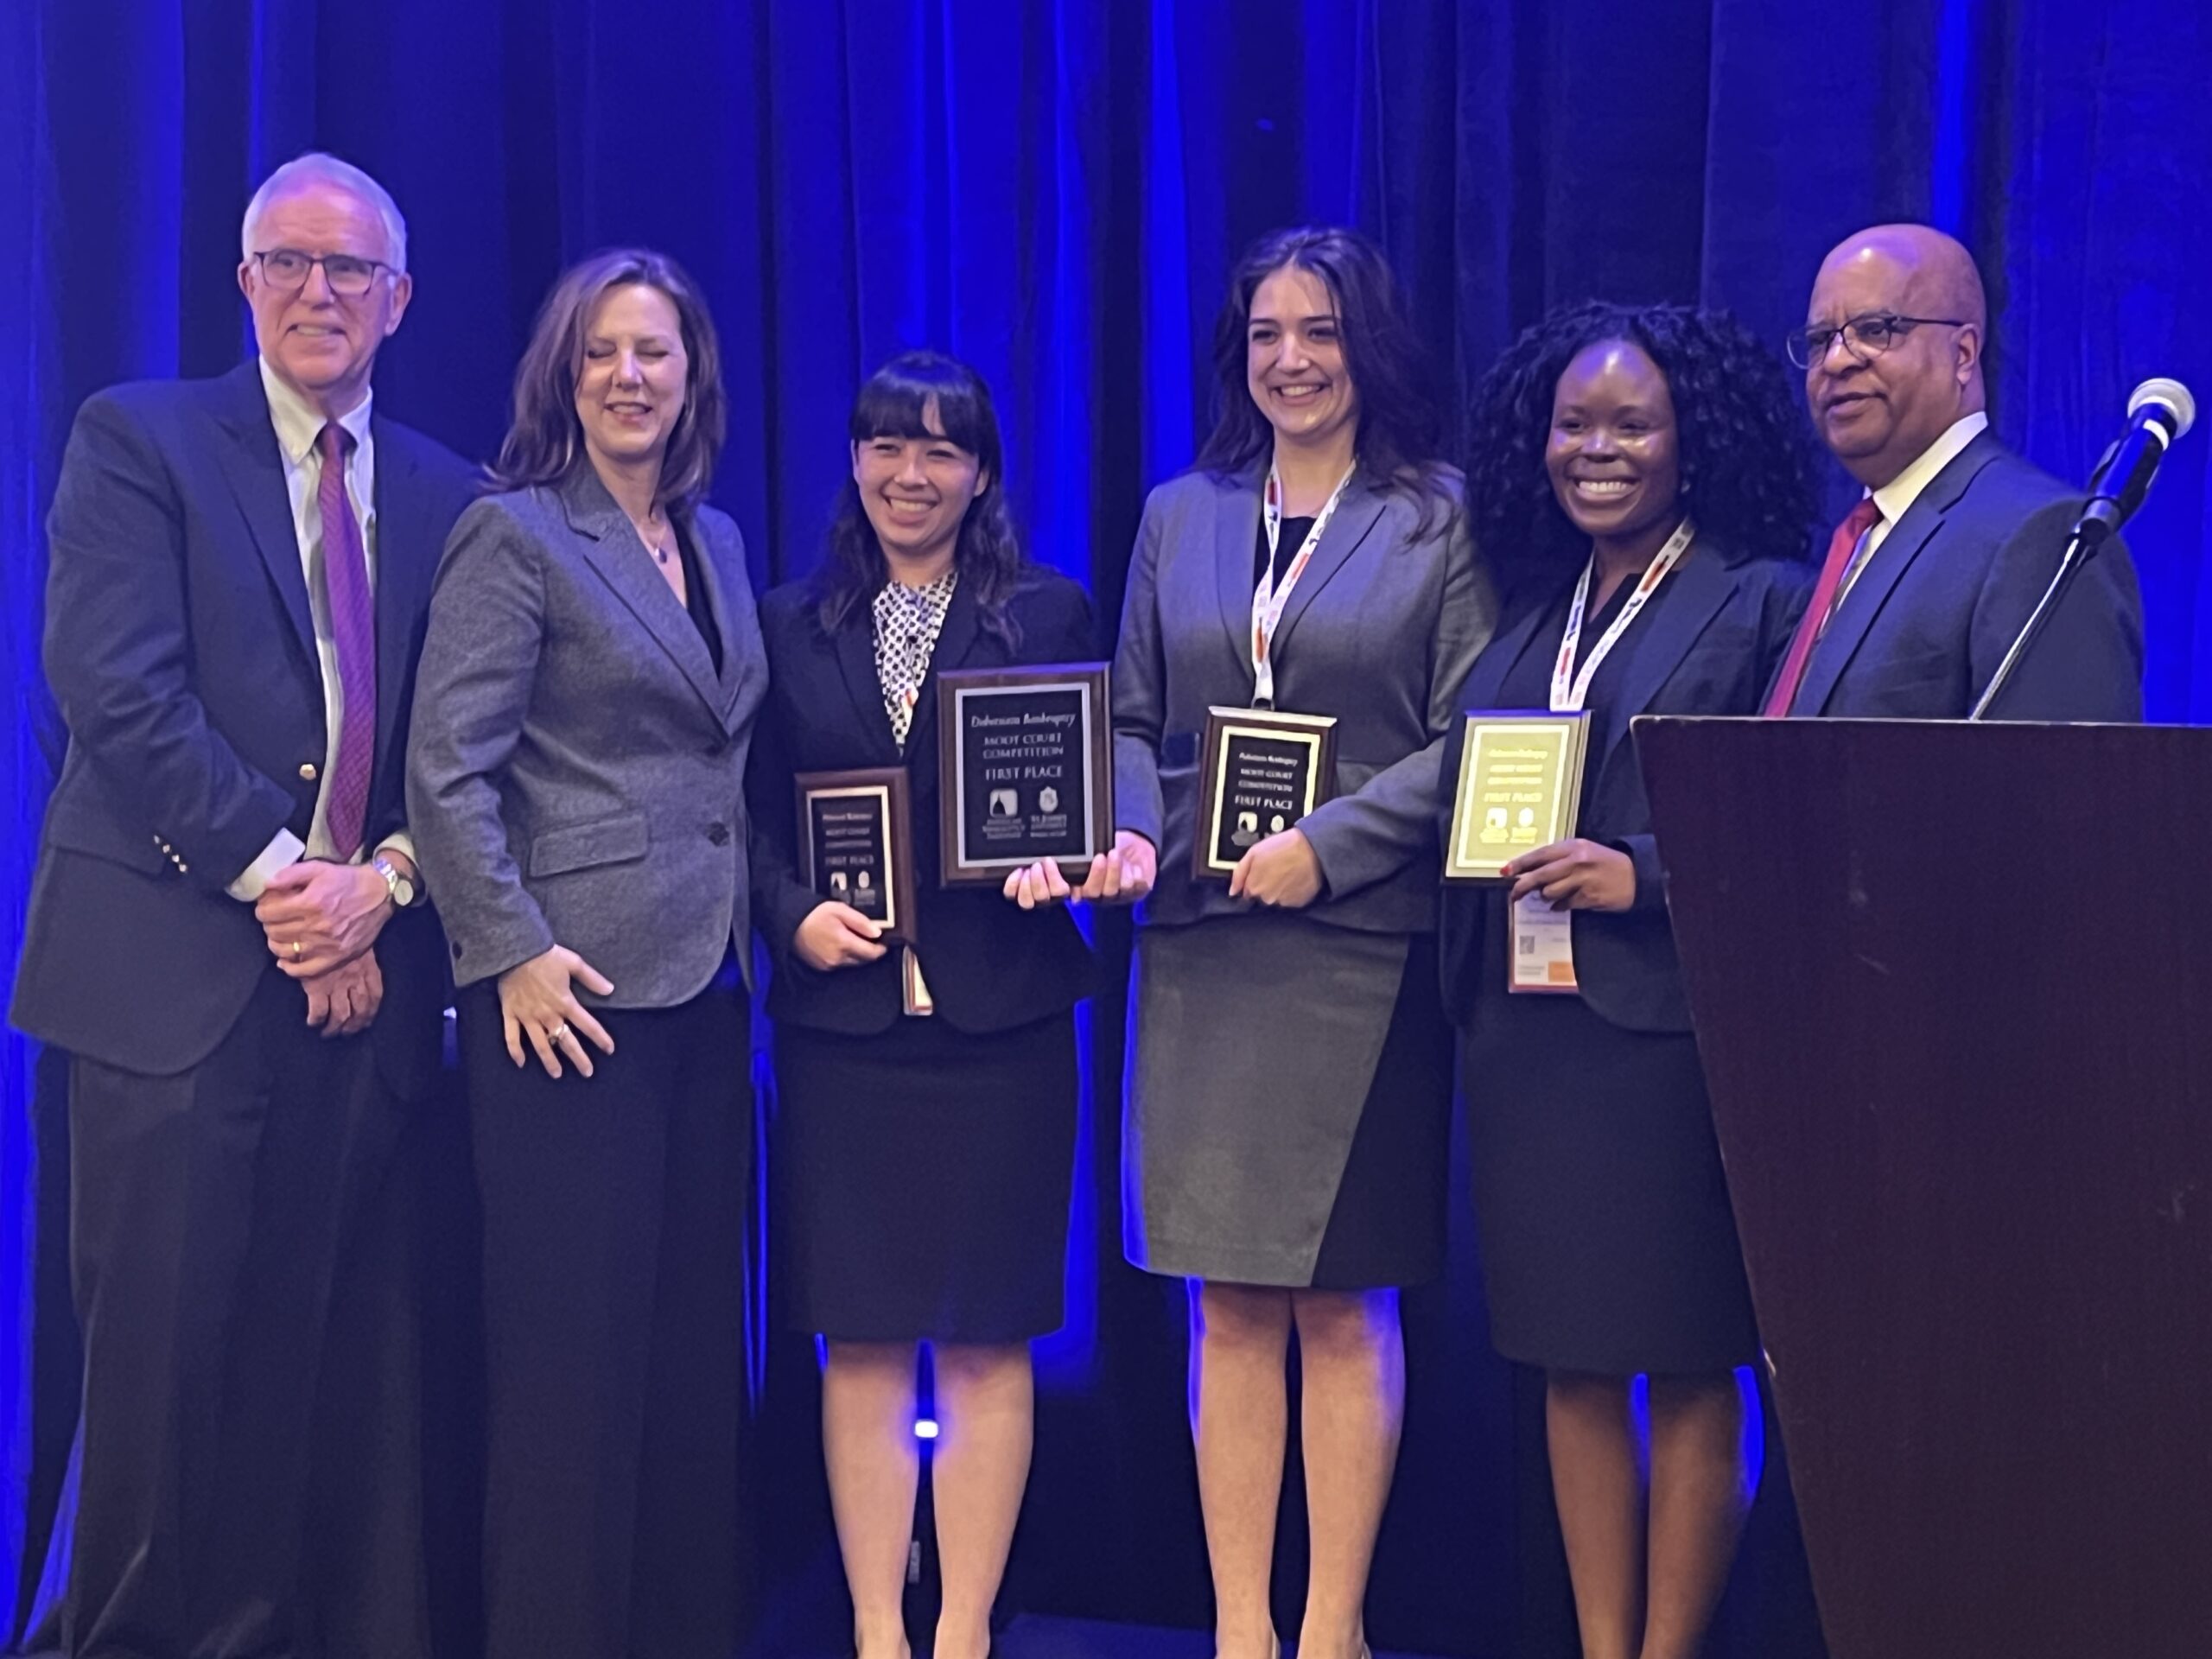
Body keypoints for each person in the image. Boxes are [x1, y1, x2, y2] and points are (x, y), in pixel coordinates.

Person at [10, 151, 475, 1658]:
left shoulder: (455, 495)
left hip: (361, 1003)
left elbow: (463, 748)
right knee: (155, 1390)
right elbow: (115, 697)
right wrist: (294, 889)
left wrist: (384, 887)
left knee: (304, 1390)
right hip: (169, 985)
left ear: (398, 301)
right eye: (290, 261)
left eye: (350, 271)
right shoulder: (137, 440)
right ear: (242, 280)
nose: (319, 292)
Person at [1026, 226, 1493, 1659]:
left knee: (1342, 1308)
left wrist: (1328, 845)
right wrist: (1124, 835)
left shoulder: (1442, 519)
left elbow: (1476, 738)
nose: (1292, 359)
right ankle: (1241, 1628)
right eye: (1267, 334)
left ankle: (1333, 1626)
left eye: (1322, 332)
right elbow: (1130, 716)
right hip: (1203, 949)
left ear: (1370, 349)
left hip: (1354, 947)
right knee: (1226, 1309)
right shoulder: (1183, 512)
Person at [405, 248, 765, 1659]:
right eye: (604, 352)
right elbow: (447, 771)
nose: (630, 376)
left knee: (686, 1378)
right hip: (571, 1011)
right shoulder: (517, 536)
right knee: (570, 1389)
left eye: (655, 353)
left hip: (706, 997)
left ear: (692, 378)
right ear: (566, 374)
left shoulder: (716, 540)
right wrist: (509, 955)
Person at [1446, 302, 1817, 1659]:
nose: (1596, 449)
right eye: (1574, 423)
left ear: (1690, 440)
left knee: (1690, 1355)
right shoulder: (1535, 616)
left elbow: (1789, 804)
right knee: (1570, 1354)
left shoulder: (1763, 595)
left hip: (1666, 1039)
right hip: (1529, 1038)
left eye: (1632, 424)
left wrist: (1642, 872)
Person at [748, 351, 1095, 1659]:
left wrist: (1063, 861)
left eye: (943, 451)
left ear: (985, 473)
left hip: (1000, 1025)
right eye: (888, 446)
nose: (912, 474)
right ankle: (876, 1629)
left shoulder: (1046, 614)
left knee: (993, 1339)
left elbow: (1080, 790)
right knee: (864, 1341)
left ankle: (962, 1629)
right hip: (844, 1035)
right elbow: (750, 821)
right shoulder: (787, 621)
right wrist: (792, 916)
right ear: (853, 460)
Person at [1771, 221, 2143, 719]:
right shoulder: (1859, 540)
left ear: (1963, 355)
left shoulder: (2042, 537)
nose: (1837, 360)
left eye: (1875, 330)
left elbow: (2065, 790)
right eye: (1821, 339)